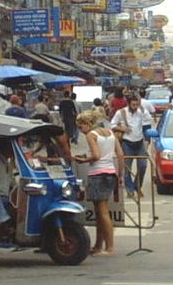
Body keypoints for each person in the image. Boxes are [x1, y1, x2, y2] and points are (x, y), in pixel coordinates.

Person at [74, 109, 124, 256]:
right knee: (100, 211)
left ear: (88, 123)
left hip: (98, 173)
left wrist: (84, 160)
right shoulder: (110, 133)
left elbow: (96, 155)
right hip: (110, 172)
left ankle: (109, 247)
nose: (81, 131)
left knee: (102, 212)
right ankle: (98, 245)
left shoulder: (92, 135)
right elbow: (120, 155)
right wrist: (120, 175)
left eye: (81, 127)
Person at [111, 95, 150, 199]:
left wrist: (147, 140)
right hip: (127, 143)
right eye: (133, 104)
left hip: (139, 142)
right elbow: (112, 125)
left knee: (143, 165)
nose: (135, 106)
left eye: (137, 104)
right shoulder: (121, 113)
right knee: (127, 168)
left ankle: (137, 186)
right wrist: (122, 128)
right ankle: (130, 189)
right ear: (128, 103)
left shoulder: (142, 112)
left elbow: (147, 125)